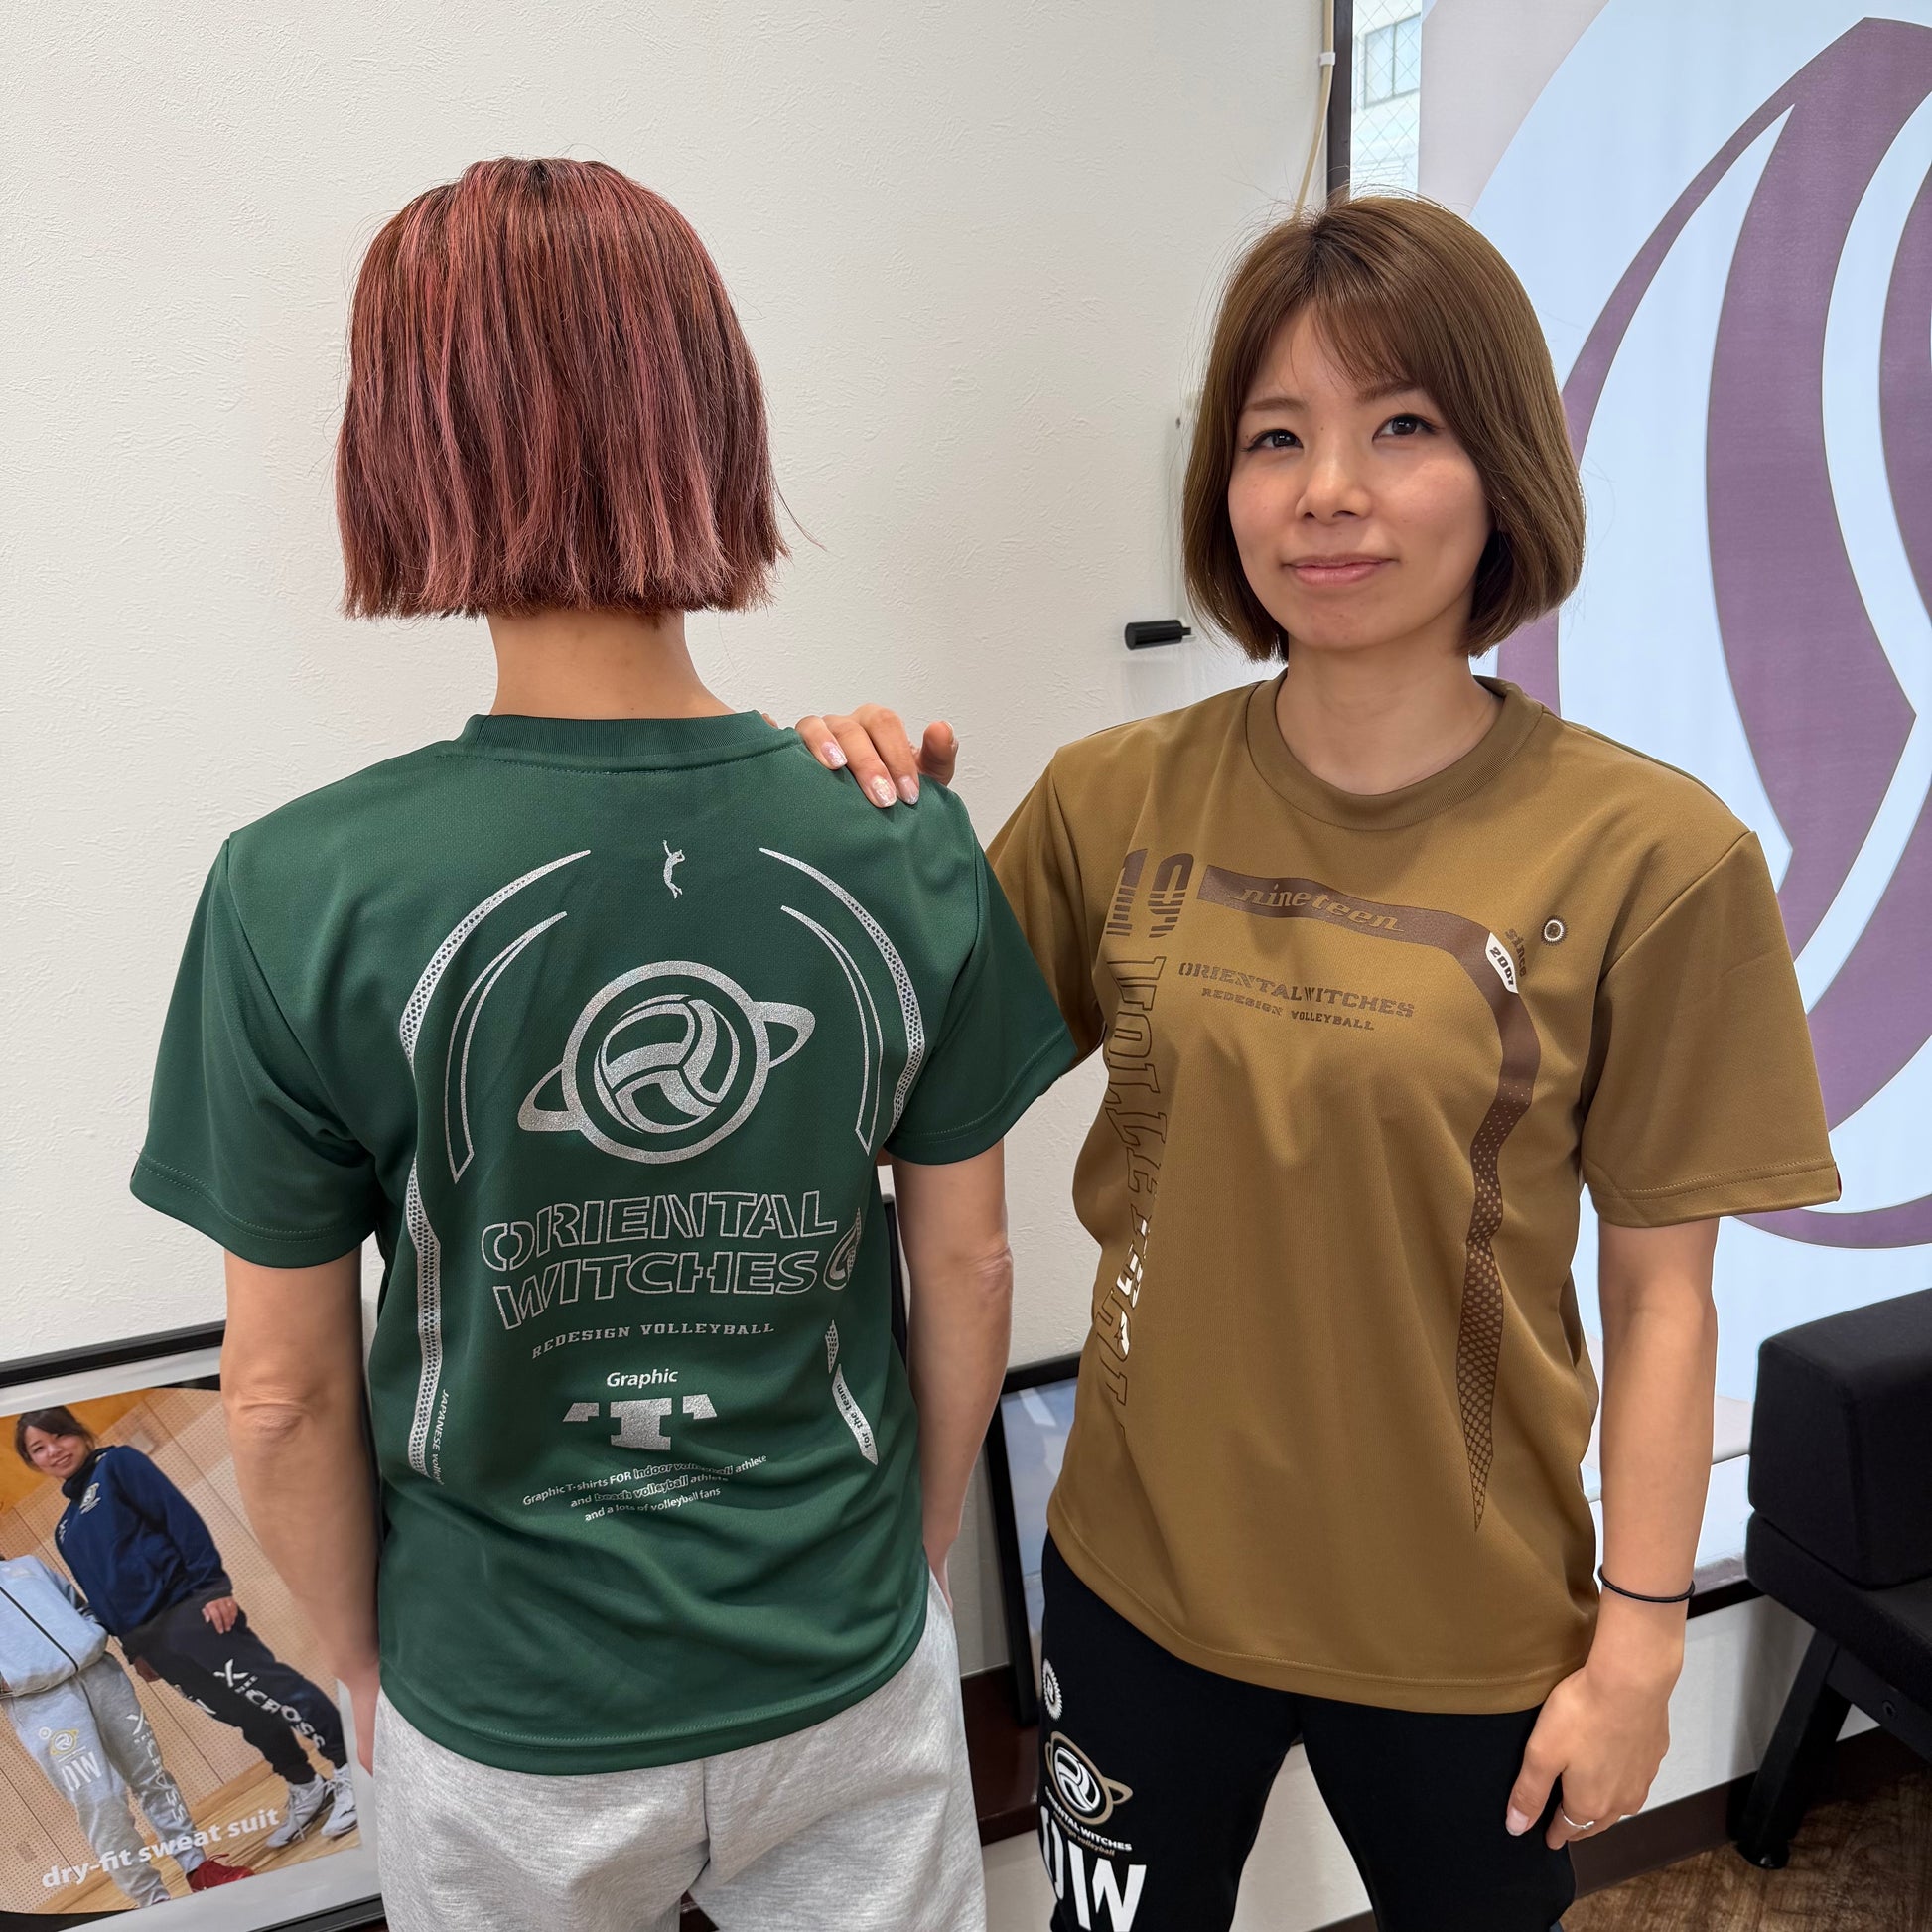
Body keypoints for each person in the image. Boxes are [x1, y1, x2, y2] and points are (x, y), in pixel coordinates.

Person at [794, 196, 1840, 1932]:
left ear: (1501, 470)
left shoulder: (1653, 858)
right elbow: (877, 1076)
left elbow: (1664, 1295)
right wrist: (836, 814)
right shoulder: (1113, 798)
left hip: (1468, 1625)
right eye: (1274, 437)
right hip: (1136, 1586)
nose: (1326, 491)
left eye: (1401, 427)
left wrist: (1642, 1638)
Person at [129, 156, 1073, 1932]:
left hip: (508, 1704)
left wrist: (369, 1670)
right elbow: (967, 1266)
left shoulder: (294, 886)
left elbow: (280, 1390)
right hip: (840, 1650)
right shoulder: (898, 836)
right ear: (709, 418)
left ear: (406, 448)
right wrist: (919, 1555)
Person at [17, 1408, 357, 1849]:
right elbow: (97, 1592)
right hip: (152, 1642)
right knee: (239, 1712)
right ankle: (305, 1785)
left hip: (188, 1608)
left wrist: (212, 1586)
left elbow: (176, 1517)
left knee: (270, 1688)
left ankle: (351, 1765)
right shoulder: (65, 1529)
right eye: (38, 1449)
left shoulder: (118, 1464)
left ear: (78, 1432)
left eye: (58, 1436)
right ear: (33, 1462)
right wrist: (133, 1649)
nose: (53, 1451)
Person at [0, 1549, 251, 1903]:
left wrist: (90, 1634)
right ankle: (153, 1901)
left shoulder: (27, 1566)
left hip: (101, 1675)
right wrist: (10, 1679)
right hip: (43, 1707)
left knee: (151, 1774)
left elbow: (80, 1606)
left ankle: (198, 1867)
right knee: (101, 1802)